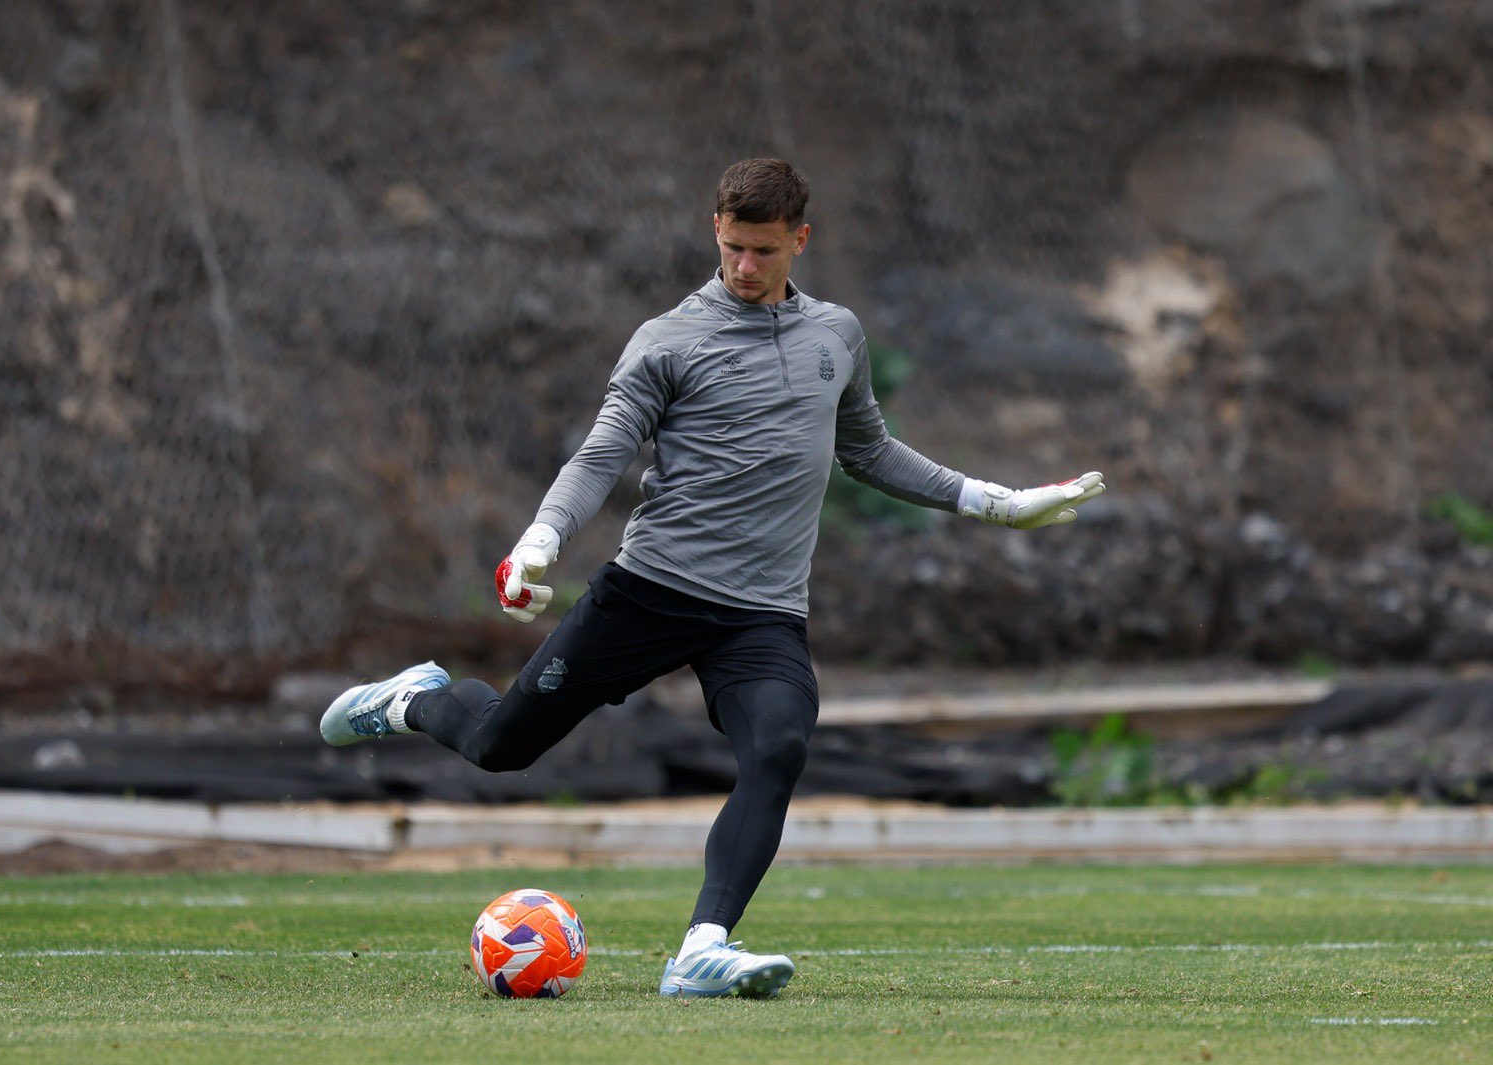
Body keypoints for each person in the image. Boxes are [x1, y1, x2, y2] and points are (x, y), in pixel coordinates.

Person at [319, 158, 1106, 998]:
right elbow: (602, 453)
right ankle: (415, 699)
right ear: (716, 232)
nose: (744, 266)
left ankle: (702, 946)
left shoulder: (836, 335)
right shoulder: (668, 340)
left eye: (764, 250)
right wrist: (540, 539)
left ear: (800, 239)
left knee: (780, 745)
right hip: (651, 591)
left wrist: (996, 502)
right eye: (733, 247)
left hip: (762, 614)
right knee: (500, 747)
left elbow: (868, 450)